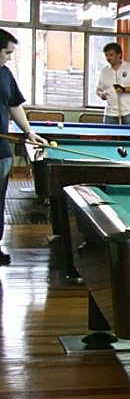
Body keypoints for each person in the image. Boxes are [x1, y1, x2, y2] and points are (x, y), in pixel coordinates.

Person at [0, 29, 50, 265]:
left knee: (0, 200)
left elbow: (14, 105)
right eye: (7, 52)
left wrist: (29, 132)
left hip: (2, 151)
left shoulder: (5, 74)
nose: (9, 57)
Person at [96, 42, 130, 124]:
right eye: (106, 55)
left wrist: (124, 89)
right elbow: (99, 89)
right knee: (108, 136)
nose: (108, 58)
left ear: (119, 55)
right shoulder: (104, 71)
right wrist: (101, 94)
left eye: (111, 55)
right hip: (110, 112)